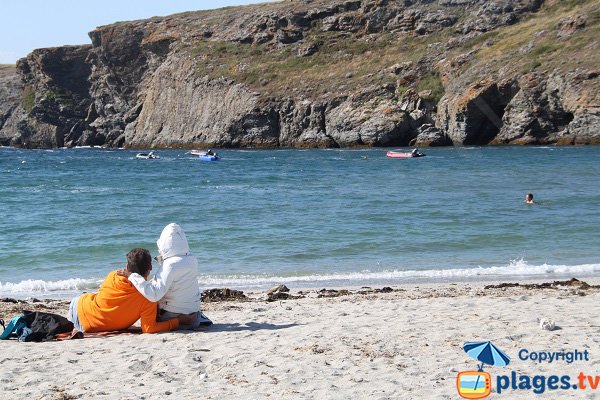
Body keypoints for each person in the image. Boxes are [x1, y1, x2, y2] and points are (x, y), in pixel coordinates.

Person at [67, 248, 194, 334]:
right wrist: (179, 320)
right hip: (89, 327)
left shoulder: (114, 275)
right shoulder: (148, 297)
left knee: (88, 296)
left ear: (127, 267)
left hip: (77, 309)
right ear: (150, 267)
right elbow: (149, 329)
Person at [119, 223, 212, 330]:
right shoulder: (192, 259)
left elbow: (154, 295)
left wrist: (132, 276)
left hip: (173, 317)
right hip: (194, 316)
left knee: (148, 296)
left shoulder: (170, 265)